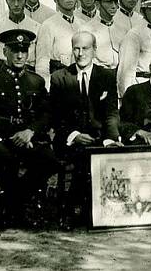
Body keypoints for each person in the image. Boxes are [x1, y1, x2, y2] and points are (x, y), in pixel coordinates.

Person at [0, 29, 57, 226]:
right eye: (14, 51)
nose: (20, 55)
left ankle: (11, 202)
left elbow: (45, 113)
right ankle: (18, 208)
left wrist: (30, 132)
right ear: (5, 51)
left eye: (24, 51)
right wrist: (13, 134)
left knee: (49, 159)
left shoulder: (36, 81)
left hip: (29, 139)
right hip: (1, 140)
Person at [51, 31, 121, 228]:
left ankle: (102, 211)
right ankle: (75, 211)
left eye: (86, 48)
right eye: (76, 48)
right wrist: (74, 135)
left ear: (95, 50)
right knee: (84, 156)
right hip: (69, 139)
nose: (81, 53)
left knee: (107, 153)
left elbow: (111, 113)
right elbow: (56, 117)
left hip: (99, 138)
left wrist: (111, 138)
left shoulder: (106, 76)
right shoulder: (60, 78)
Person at [117, 0, 151, 98]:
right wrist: (126, 100)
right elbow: (126, 71)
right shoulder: (135, 34)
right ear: (143, 11)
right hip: (140, 87)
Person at [35, 0, 80, 88]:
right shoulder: (49, 25)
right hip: (59, 82)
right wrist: (46, 88)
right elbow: (42, 61)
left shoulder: (82, 24)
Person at [79, 0, 122, 70]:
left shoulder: (121, 29)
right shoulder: (87, 30)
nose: (114, 6)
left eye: (115, 2)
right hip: (98, 77)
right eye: (109, 2)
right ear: (98, 4)